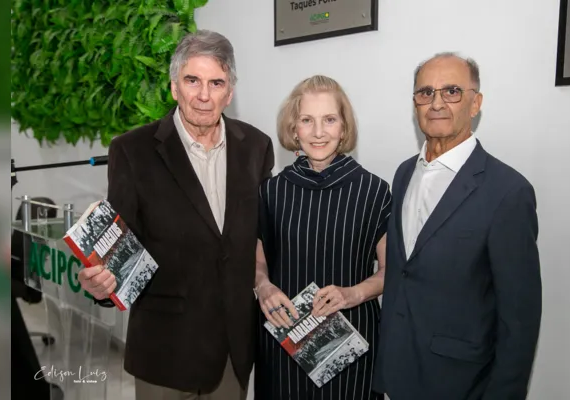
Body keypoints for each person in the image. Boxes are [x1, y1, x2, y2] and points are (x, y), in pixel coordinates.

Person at [78, 30, 274, 400]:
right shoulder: (132, 151)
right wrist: (101, 286)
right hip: (164, 350)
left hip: (233, 350)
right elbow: (117, 249)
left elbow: (261, 237)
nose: (203, 95)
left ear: (229, 92)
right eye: (192, 80)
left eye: (216, 82)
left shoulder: (257, 147)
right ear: (173, 87)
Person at [372, 53, 542, 399]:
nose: (436, 103)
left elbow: (519, 319)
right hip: (396, 373)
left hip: (460, 384)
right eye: (425, 93)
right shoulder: (404, 173)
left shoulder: (508, 192)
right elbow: (402, 275)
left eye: (451, 91)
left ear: (475, 103)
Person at [253, 75, 391, 400]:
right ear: (293, 129)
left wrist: (353, 294)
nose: (318, 132)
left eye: (329, 119)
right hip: (284, 344)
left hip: (352, 347)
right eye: (307, 120)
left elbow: (392, 270)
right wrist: (263, 285)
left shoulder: (374, 191)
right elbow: (257, 261)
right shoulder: (270, 191)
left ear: (344, 128)